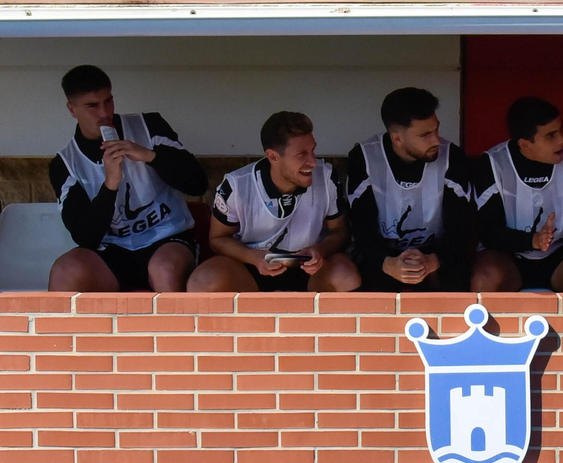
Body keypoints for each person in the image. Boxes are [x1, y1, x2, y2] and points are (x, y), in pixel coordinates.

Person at [47, 65, 208, 293]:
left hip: (167, 239)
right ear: (72, 109)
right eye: (92, 105)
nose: (104, 113)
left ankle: (171, 329)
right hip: (110, 250)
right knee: (65, 270)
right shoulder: (65, 163)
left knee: (165, 270)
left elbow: (198, 183)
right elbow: (85, 237)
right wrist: (110, 184)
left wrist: (149, 156)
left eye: (108, 101)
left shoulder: (149, 126)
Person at [188, 112, 361, 293]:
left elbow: (340, 231)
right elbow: (217, 239)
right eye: (302, 154)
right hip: (251, 269)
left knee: (345, 275)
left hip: (311, 269)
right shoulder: (237, 185)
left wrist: (320, 250)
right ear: (273, 157)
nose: (313, 162)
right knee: (203, 281)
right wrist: (254, 257)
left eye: (313, 150)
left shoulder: (326, 177)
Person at [471, 97, 563, 293]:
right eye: (551, 135)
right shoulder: (493, 164)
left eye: (561, 130)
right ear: (525, 144)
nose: (562, 139)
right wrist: (533, 241)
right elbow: (489, 232)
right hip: (508, 257)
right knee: (485, 276)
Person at [345, 87, 474, 292]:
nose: (436, 140)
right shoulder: (365, 158)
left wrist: (434, 259)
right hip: (381, 256)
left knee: (455, 278)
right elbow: (361, 226)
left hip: (437, 255)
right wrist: (387, 263)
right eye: (425, 134)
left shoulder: (452, 157)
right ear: (397, 138)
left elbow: (461, 226)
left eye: (436, 129)